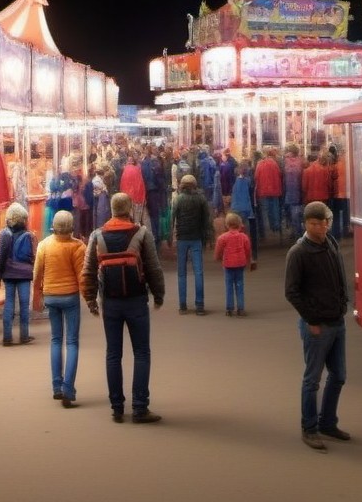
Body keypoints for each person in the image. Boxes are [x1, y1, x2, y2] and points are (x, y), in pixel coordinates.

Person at [81, 191, 165, 423]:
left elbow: (88, 270)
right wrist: (158, 295)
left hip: (110, 302)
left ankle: (117, 407)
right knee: (141, 352)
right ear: (129, 209)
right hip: (136, 300)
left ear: (111, 209)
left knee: (113, 354)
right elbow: (153, 267)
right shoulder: (141, 233)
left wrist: (90, 299)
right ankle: (140, 407)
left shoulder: (97, 235)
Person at [284, 200, 350, 453]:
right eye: (314, 224)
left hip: (336, 321)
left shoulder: (330, 243)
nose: (320, 227)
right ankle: (309, 428)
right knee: (312, 380)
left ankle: (327, 423)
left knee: (339, 376)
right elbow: (291, 292)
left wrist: (342, 304)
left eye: (323, 223)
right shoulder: (298, 253)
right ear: (306, 224)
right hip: (317, 326)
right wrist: (311, 320)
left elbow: (339, 276)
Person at [31, 209, 85, 407]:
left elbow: (37, 273)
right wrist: (90, 299)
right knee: (72, 342)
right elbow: (82, 276)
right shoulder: (78, 246)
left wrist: (37, 297)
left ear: (53, 226)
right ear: (71, 227)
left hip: (51, 297)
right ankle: (68, 389)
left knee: (55, 340)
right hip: (70, 297)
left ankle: (56, 387)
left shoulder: (44, 245)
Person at [0, 202, 37, 346]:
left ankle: (7, 337)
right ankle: (24, 336)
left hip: (8, 274)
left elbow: (0, 257)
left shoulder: (4, 234)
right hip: (24, 274)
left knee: (9, 304)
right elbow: (34, 256)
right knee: (24, 305)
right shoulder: (29, 235)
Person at [169, 173, 214, 315]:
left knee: (181, 273)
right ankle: (199, 305)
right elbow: (207, 220)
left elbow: (172, 219)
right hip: (196, 238)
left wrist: (170, 238)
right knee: (198, 272)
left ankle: (183, 305)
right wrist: (209, 238)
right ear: (194, 185)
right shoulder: (201, 199)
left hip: (182, 238)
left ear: (182, 185)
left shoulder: (178, 199)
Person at [214, 211, 254, 316]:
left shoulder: (223, 237)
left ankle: (229, 308)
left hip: (228, 264)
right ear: (239, 223)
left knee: (229, 286)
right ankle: (240, 308)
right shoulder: (243, 237)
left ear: (227, 224)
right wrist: (249, 260)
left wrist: (217, 257)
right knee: (240, 285)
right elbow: (248, 250)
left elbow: (218, 249)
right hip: (240, 264)